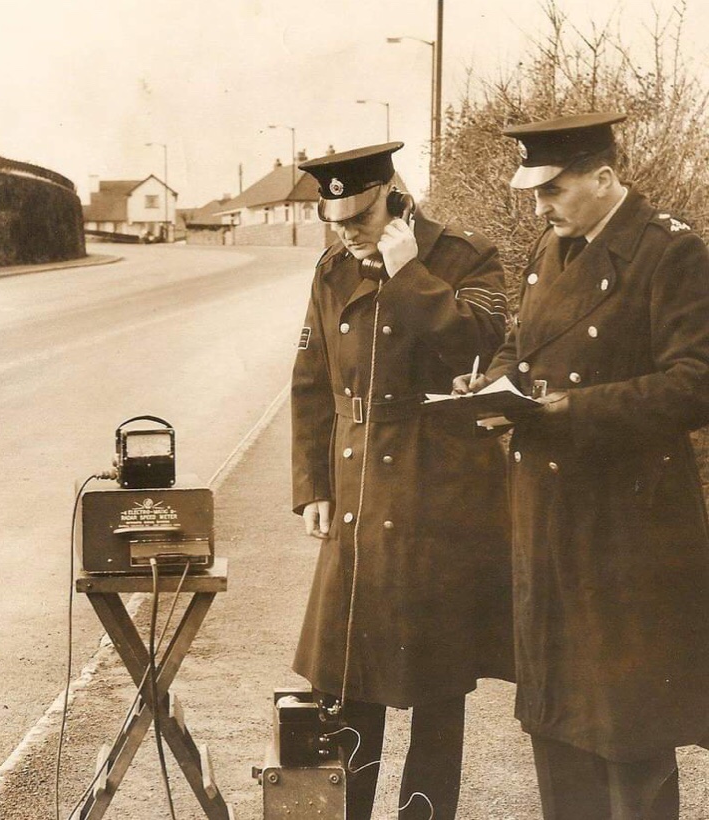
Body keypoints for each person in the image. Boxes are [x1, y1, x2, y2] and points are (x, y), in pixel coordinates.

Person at [454, 112, 709, 819]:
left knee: (629, 730)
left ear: (604, 177)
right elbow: (520, 346)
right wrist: (494, 385)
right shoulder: (549, 249)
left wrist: (575, 411)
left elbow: (697, 381)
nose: (541, 206)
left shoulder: (669, 251)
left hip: (630, 527)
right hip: (550, 518)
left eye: (554, 190)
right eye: (535, 193)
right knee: (558, 718)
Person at [291, 142, 514, 819]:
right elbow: (310, 383)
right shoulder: (332, 269)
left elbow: (480, 346)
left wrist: (408, 272)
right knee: (350, 679)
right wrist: (313, 486)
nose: (346, 230)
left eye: (358, 217)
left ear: (395, 195)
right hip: (358, 489)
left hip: (438, 490)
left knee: (437, 689)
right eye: (336, 218)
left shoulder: (465, 256)